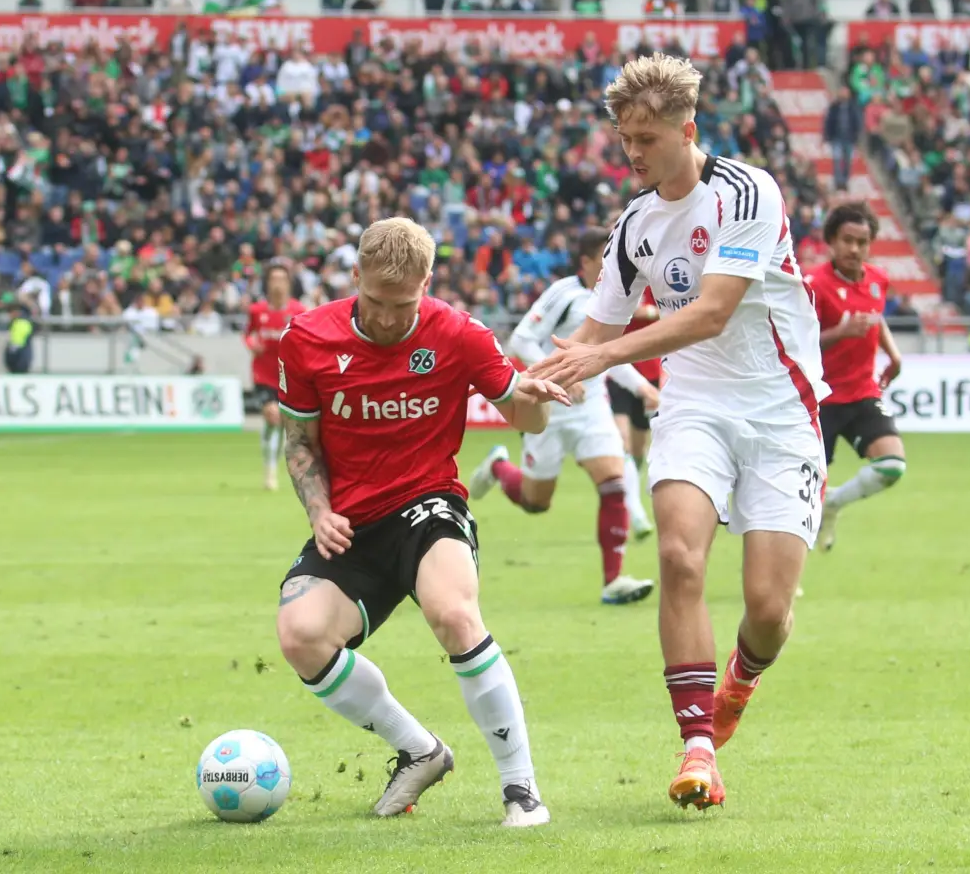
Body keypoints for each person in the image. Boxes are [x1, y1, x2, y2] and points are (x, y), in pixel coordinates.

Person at [530, 54, 829, 811]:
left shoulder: (746, 191)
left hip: (780, 409)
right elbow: (591, 334)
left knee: (767, 609)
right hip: (692, 403)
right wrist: (525, 380)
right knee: (676, 554)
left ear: (687, 130)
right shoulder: (633, 225)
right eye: (626, 138)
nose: (633, 153)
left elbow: (714, 311)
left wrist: (603, 352)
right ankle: (698, 746)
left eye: (648, 137)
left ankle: (740, 683)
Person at [273, 217, 570, 827]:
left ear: (427, 284)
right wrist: (319, 509)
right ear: (354, 277)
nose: (387, 319)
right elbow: (300, 443)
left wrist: (535, 402)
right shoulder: (306, 339)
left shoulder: (458, 333)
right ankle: (420, 750)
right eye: (376, 301)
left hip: (429, 503)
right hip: (352, 522)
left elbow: (523, 416)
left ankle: (522, 789)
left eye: (403, 304)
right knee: (300, 635)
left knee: (455, 613)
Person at [469, 230, 660, 606]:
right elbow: (522, 339)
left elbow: (607, 355)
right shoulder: (564, 293)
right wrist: (558, 376)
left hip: (592, 408)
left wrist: (642, 388)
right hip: (549, 408)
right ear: (587, 262)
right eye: (605, 259)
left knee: (614, 483)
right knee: (536, 501)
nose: (613, 267)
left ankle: (613, 580)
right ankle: (499, 467)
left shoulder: (613, 301)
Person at [806, 202, 907, 554]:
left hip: (862, 392)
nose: (854, 249)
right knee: (802, 496)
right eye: (847, 240)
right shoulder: (813, 285)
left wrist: (893, 354)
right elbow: (795, 342)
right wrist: (839, 332)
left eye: (862, 242)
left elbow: (876, 318)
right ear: (831, 241)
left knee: (892, 466)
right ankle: (784, 584)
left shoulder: (878, 279)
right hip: (820, 399)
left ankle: (834, 504)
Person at [245, 264, 307, 491]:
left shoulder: (298, 310)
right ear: (267, 283)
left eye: (282, 278)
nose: (277, 283)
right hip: (262, 374)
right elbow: (247, 335)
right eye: (273, 279)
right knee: (272, 417)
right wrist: (252, 344)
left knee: (279, 424)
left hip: (287, 374)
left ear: (288, 283)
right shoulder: (257, 310)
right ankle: (269, 471)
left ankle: (273, 468)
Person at [606, 284, 660, 540]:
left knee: (639, 448)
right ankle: (636, 513)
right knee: (622, 442)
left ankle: (631, 486)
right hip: (621, 372)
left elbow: (670, 314)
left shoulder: (658, 283)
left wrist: (647, 312)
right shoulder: (624, 282)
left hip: (650, 375)